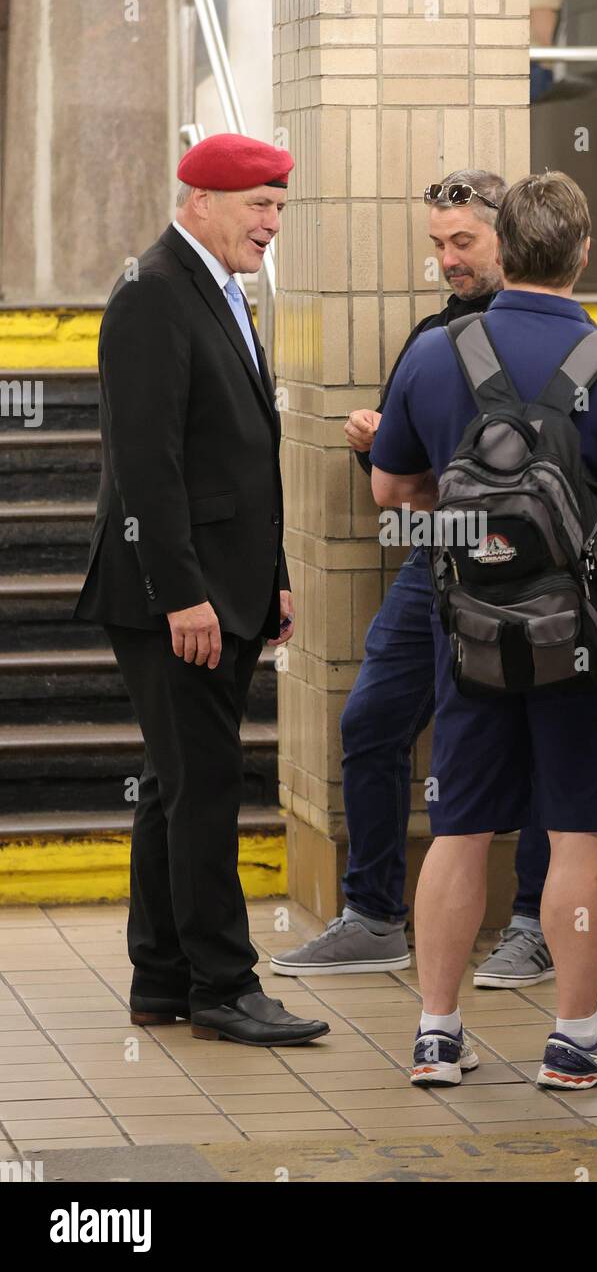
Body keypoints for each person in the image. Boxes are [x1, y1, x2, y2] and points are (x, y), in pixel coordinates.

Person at [370, 172, 597, 1088]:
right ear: (584, 253)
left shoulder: (438, 357)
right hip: (586, 640)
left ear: (504, 250)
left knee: (461, 829)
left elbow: (391, 492)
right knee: (575, 832)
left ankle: (437, 1035)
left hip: (472, 636)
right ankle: (575, 1038)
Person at [270, 170, 558, 987]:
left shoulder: (556, 333)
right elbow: (397, 473)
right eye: (437, 245)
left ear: (513, 235)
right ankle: (372, 917)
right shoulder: (433, 336)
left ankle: (533, 921)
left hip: (532, 574)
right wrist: (373, 441)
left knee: (537, 742)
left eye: (463, 242)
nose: (447, 260)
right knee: (370, 722)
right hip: (435, 560)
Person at [74, 133, 329, 1048]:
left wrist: (276, 577)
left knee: (172, 786)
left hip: (223, 584)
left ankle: (163, 978)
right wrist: (184, 594)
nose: (271, 224)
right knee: (205, 783)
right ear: (202, 199)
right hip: (171, 593)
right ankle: (226, 987)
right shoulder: (153, 294)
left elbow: (239, 453)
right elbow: (148, 462)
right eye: (258, 204)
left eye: (279, 207)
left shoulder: (218, 289)